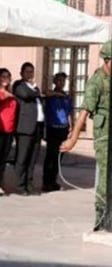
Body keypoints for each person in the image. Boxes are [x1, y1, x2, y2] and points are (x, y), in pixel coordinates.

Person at [60, 41, 112, 230]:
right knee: (104, 175)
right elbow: (85, 110)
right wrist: (74, 138)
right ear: (108, 60)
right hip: (104, 134)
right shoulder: (97, 81)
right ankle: (101, 216)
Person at [13, 62, 45, 196]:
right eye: (27, 71)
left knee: (33, 159)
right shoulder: (19, 85)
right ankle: (20, 187)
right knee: (22, 158)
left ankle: (29, 185)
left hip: (37, 126)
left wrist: (37, 92)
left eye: (31, 71)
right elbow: (26, 95)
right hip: (25, 128)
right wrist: (37, 92)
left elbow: (37, 97)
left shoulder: (34, 89)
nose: (30, 74)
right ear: (21, 73)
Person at [42, 72, 72, 193]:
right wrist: (57, 94)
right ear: (54, 81)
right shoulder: (51, 94)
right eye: (59, 80)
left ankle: (53, 181)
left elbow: (69, 112)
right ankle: (46, 182)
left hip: (63, 128)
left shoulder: (66, 97)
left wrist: (72, 128)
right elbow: (45, 92)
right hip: (52, 128)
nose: (61, 83)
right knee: (51, 155)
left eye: (63, 81)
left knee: (59, 156)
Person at [0, 68, 16, 196]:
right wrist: (6, 95)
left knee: (3, 159)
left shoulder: (11, 92)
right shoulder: (3, 93)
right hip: (0, 129)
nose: (5, 79)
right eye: (3, 76)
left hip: (9, 130)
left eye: (7, 76)